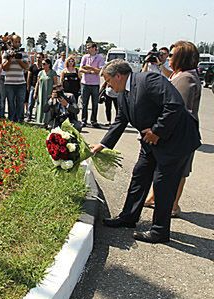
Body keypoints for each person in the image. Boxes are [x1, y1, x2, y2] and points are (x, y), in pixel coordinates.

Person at [91, 59, 201, 244]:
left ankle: (159, 231)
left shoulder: (148, 80)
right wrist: (102, 145)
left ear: (118, 76)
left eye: (108, 80)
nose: (107, 85)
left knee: (162, 184)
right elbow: (120, 121)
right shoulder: (122, 94)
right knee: (139, 175)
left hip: (175, 141)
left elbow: (174, 104)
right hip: (151, 142)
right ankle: (128, 217)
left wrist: (157, 131)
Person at [144, 41, 202, 217]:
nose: (168, 58)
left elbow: (178, 108)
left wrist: (160, 130)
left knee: (178, 171)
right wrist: (160, 66)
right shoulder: (182, 74)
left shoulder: (186, 78)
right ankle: (155, 198)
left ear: (181, 58)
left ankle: (173, 205)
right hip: (177, 132)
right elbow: (170, 77)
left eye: (171, 55)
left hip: (180, 134)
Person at [2, 34, 29, 122]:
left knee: (20, 102)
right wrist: (10, 59)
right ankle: (12, 119)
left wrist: (18, 60)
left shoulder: (23, 53)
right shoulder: (6, 53)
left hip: (21, 82)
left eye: (19, 42)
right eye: (16, 41)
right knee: (11, 103)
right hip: (9, 83)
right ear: (12, 42)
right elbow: (4, 67)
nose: (17, 43)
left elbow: (26, 67)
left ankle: (20, 119)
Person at [79, 42, 105, 128]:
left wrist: (89, 67)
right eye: (87, 48)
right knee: (84, 104)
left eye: (89, 47)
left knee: (95, 104)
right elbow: (81, 69)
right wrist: (90, 71)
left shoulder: (100, 58)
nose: (87, 49)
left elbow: (100, 71)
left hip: (95, 84)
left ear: (94, 48)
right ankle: (84, 120)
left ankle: (94, 121)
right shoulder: (85, 57)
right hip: (85, 83)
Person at [34, 58, 58, 125]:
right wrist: (35, 92)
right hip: (41, 92)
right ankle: (40, 121)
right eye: (42, 64)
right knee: (41, 105)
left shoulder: (53, 73)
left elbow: (55, 84)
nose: (42, 65)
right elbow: (37, 83)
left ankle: (48, 122)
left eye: (44, 64)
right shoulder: (40, 73)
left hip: (49, 93)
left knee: (48, 106)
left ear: (49, 65)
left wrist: (54, 93)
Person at [26, 52, 44, 121]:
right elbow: (29, 76)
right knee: (31, 102)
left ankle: (38, 116)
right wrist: (28, 86)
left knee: (40, 102)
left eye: (40, 57)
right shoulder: (32, 66)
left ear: (42, 58)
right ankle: (29, 116)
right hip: (33, 86)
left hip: (41, 87)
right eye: (37, 57)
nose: (38, 59)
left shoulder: (43, 67)